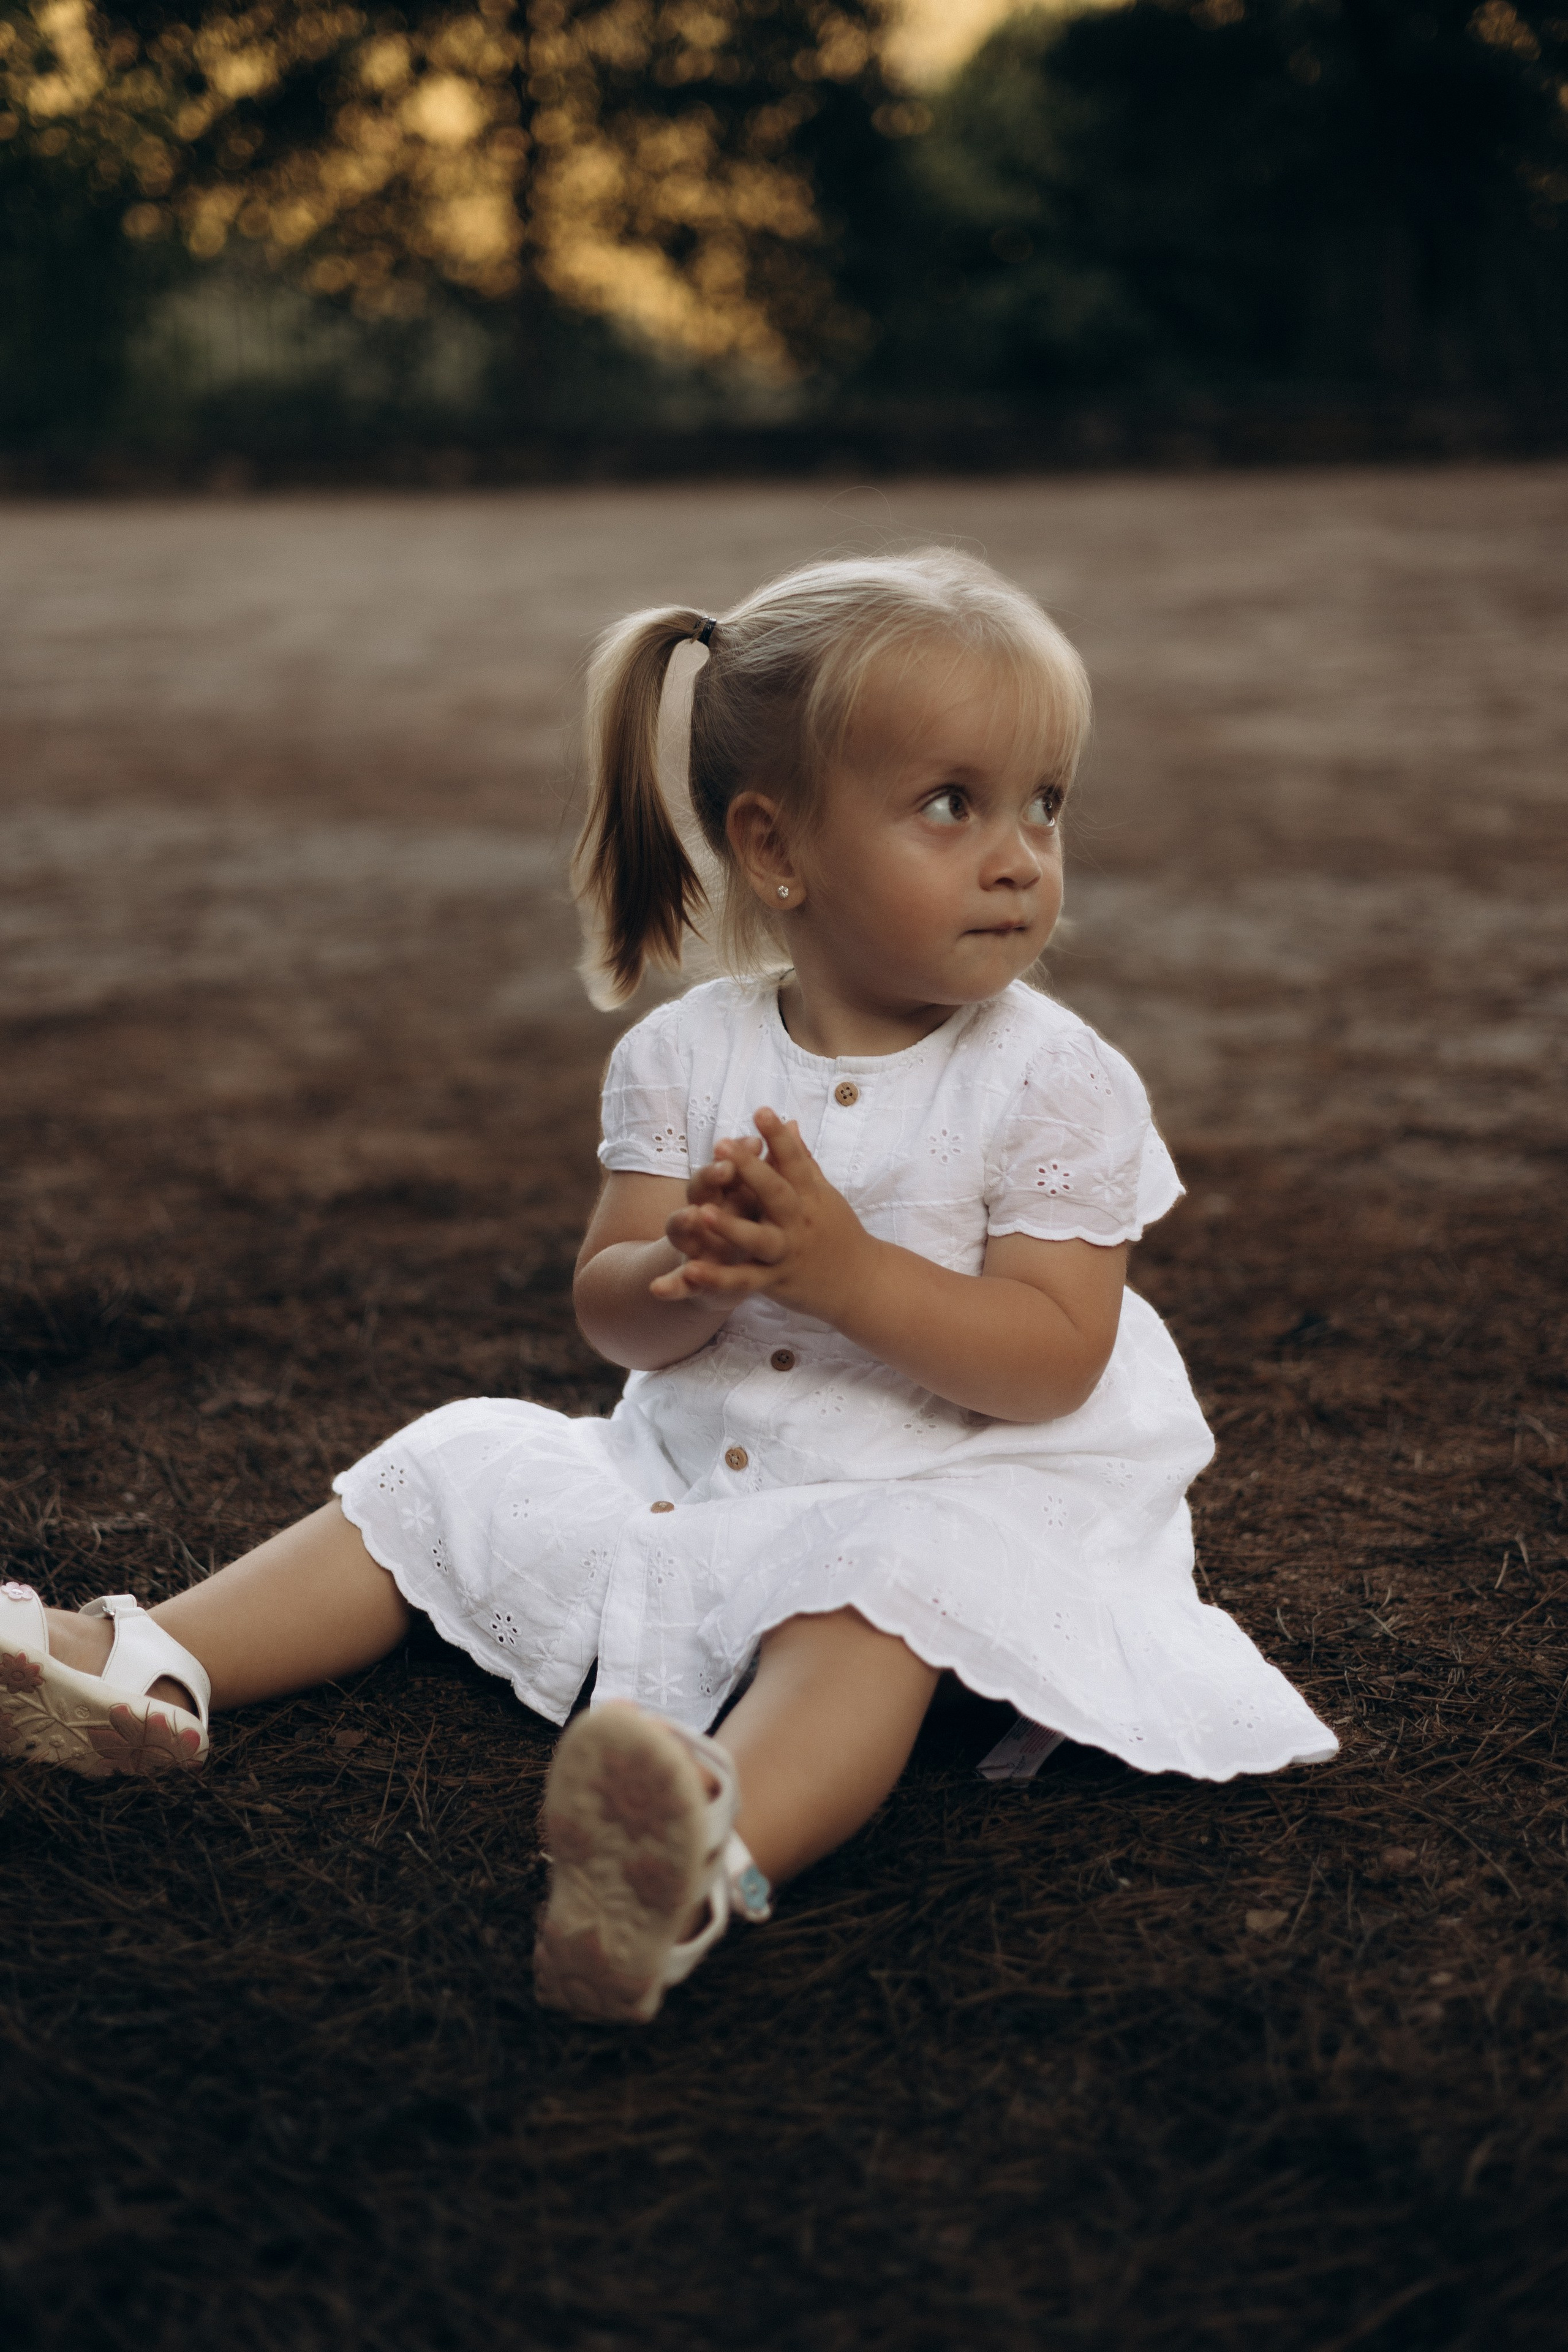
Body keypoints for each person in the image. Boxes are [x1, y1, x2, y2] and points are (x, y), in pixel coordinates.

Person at [0, 550, 1336, 2022]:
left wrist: (843, 1275)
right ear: (776, 847)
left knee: (871, 1600)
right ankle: (151, 1662)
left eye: (1045, 804)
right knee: (453, 1461)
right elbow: (608, 1307)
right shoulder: (690, 1056)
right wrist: (683, 1273)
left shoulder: (1054, 1081)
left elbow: (1051, 1360)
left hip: (952, 1498)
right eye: (951, 804)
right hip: (689, 1478)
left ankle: (697, 1851)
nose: (1019, 855)